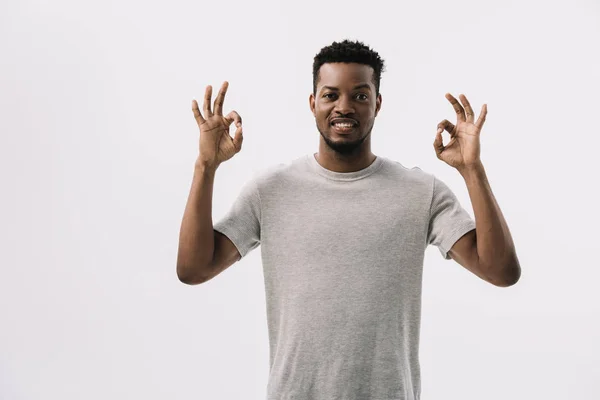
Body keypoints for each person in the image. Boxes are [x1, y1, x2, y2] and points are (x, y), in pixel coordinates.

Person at [176, 39, 521, 400]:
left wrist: (472, 170)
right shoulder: (271, 190)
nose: (344, 107)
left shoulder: (420, 192)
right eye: (330, 95)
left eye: (359, 95)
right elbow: (193, 269)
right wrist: (205, 167)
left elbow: (500, 271)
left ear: (378, 103)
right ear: (313, 104)